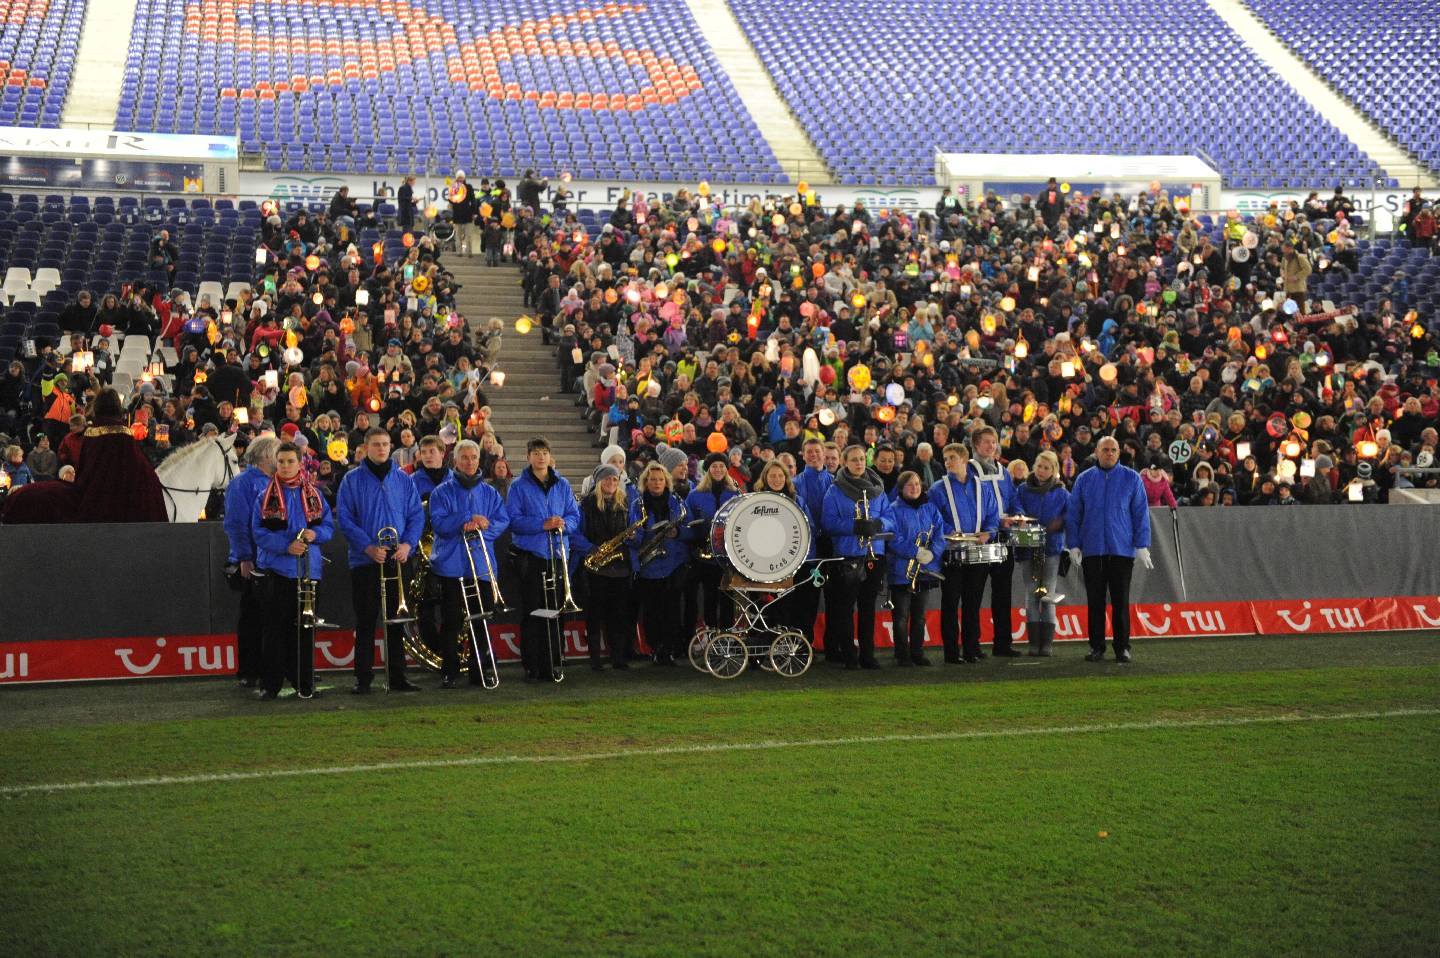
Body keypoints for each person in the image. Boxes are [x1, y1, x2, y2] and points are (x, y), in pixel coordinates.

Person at [335, 427, 425, 693]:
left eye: (386, 444)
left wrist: (408, 544)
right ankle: (363, 679)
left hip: (398, 559)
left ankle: (398, 677)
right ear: (365, 447)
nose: (382, 449)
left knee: (397, 621)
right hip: (365, 562)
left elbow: (416, 515)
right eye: (376, 444)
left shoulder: (404, 480)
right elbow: (346, 519)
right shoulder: (351, 480)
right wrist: (367, 547)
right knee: (366, 621)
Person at [251, 441, 333, 700]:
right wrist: (286, 546)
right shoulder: (264, 495)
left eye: (290, 461)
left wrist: (314, 533)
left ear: (300, 464)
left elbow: (328, 527)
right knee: (273, 630)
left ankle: (304, 683)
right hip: (277, 570)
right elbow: (259, 533)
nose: (286, 466)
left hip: (309, 572)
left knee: (305, 631)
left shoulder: (315, 494)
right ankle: (271, 684)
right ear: (276, 463)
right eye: (281, 461)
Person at [428, 439, 510, 688]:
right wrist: (466, 518)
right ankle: (449, 671)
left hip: (481, 566)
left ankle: (479, 671)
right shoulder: (441, 492)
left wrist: (482, 530)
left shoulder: (489, 492)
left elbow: (502, 519)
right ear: (455, 461)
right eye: (465, 457)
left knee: (481, 620)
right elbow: (439, 524)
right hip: (451, 566)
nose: (470, 462)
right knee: (451, 622)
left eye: (474, 457)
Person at [1066, 437, 1152, 663]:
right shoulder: (1084, 480)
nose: (1110, 453)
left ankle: (1122, 647)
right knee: (1094, 601)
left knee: (1121, 601)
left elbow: (1140, 514)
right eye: (1105, 450)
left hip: (1121, 550)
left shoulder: (1131, 478)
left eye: (1114, 450)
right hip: (1093, 550)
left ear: (1119, 452)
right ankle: (1096, 647)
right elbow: (1074, 514)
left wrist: (1141, 544)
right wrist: (1073, 544)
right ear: (1096, 451)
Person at [507, 437, 580, 682]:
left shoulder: (563, 484)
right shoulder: (518, 486)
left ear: (550, 456)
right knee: (534, 611)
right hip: (532, 557)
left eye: (544, 452)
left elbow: (574, 515)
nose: (541, 457)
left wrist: (564, 525)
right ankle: (533, 664)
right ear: (528, 457)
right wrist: (542, 524)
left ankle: (554, 661)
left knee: (556, 610)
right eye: (536, 453)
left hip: (557, 555)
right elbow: (513, 521)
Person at [820, 443, 893, 670]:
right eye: (854, 460)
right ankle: (849, 654)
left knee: (868, 607)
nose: (859, 463)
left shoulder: (877, 488)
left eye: (862, 459)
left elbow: (891, 517)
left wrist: (879, 523)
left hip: (875, 553)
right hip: (848, 555)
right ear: (845, 462)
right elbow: (828, 523)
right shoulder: (834, 490)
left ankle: (868, 655)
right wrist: (855, 526)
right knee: (845, 608)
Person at [929, 442, 999, 663]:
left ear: (964, 459)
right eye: (946, 458)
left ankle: (972, 648)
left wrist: (989, 533)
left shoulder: (983, 486)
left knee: (973, 602)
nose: (948, 462)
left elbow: (993, 515)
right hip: (952, 553)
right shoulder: (937, 489)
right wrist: (950, 532)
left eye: (952, 458)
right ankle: (951, 652)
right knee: (950, 602)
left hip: (977, 552)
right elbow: (933, 518)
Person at [223, 435, 279, 687]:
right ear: (267, 455)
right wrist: (245, 557)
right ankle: (249, 670)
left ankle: (269, 668)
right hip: (255, 560)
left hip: (274, 560)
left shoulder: (273, 482)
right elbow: (235, 524)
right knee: (253, 616)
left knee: (270, 617)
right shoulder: (243, 484)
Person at [629, 461, 689, 664]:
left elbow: (689, 527)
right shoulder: (637, 504)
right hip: (649, 565)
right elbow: (635, 535)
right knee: (652, 611)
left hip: (673, 563)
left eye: (660, 479)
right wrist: (635, 537)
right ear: (646, 482)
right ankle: (656, 648)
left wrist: (678, 532)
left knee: (672, 610)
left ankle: (670, 648)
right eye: (652, 479)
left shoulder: (677, 502)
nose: (656, 483)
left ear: (667, 482)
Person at [576, 463, 634, 670]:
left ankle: (617, 656)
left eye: (615, 479)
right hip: (596, 567)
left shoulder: (626, 503)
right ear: (599, 482)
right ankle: (595, 659)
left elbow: (634, 530)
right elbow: (575, 533)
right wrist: (592, 548)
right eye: (607, 479)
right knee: (595, 613)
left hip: (620, 567)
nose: (611, 482)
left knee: (618, 613)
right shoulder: (586, 505)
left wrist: (633, 537)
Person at [970, 426, 1022, 657]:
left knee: (1003, 592)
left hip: (1003, 538)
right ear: (976, 445)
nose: (991, 446)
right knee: (975, 591)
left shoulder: (1003, 471)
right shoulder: (969, 470)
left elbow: (1013, 499)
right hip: (980, 538)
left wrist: (1017, 517)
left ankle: (1003, 643)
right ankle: (972, 644)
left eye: (994, 442)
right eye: (987, 442)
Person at [1014, 451, 1069, 657]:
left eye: (1047, 468)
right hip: (1027, 547)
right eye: (1039, 466)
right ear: (1034, 466)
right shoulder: (1022, 489)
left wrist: (1061, 522)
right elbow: (1016, 505)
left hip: (1051, 548)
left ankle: (1046, 644)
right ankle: (1033, 643)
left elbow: (1070, 512)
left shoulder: (1062, 493)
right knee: (1031, 593)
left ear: (1054, 470)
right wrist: (1020, 517)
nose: (1042, 471)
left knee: (1047, 595)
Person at [886, 470, 941, 666]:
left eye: (917, 484)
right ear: (901, 488)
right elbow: (893, 538)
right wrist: (915, 551)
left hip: (924, 571)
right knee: (901, 616)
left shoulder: (931, 508)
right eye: (910, 484)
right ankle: (902, 654)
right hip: (901, 571)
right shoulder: (892, 510)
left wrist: (933, 552)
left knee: (919, 616)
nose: (915, 488)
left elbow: (939, 534)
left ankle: (917, 652)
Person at [684, 452, 741, 631]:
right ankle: (711, 633)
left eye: (721, 466)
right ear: (708, 469)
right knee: (709, 596)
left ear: (726, 469)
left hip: (728, 556)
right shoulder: (695, 495)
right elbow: (688, 523)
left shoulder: (736, 493)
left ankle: (726, 636)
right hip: (705, 556)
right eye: (714, 466)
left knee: (727, 597)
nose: (718, 469)